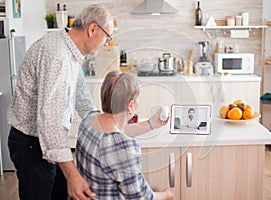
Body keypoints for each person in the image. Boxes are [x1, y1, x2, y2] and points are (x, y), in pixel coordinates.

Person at [7, 4, 166, 200]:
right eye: (108, 37)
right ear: (92, 29)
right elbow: (50, 122)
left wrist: (101, 121)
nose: (107, 43)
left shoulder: (69, 48)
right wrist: (72, 174)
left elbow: (80, 93)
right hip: (32, 143)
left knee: (58, 191)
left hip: (47, 142)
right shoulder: (58, 57)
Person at [76, 71, 174, 200]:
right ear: (130, 105)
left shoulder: (89, 119)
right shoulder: (123, 146)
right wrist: (166, 195)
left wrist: (152, 123)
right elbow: (140, 197)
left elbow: (120, 130)